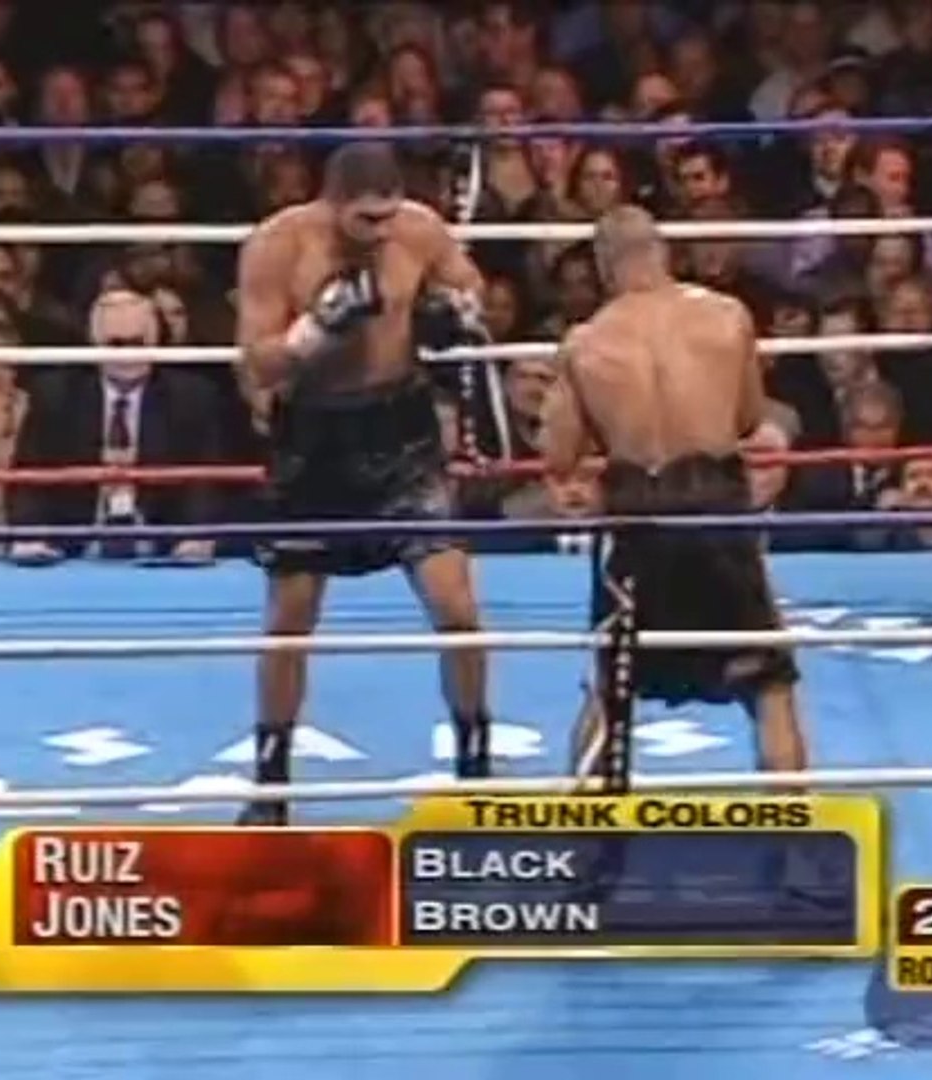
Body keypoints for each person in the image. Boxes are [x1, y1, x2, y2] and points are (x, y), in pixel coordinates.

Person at [235, 142, 495, 825]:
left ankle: (476, 768)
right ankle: (270, 785)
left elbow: (473, 293)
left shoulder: (421, 231)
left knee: (457, 609)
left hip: (401, 433)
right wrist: (311, 334)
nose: (380, 232)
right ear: (333, 204)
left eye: (388, 216)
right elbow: (257, 364)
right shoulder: (278, 245)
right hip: (312, 438)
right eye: (365, 221)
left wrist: (456, 310)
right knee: (290, 617)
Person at [539, 205, 809, 788]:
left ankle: (585, 828)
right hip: (715, 504)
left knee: (609, 687)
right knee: (768, 684)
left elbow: (559, 456)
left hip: (636, 512)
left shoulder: (585, 343)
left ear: (603, 268)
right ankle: (793, 826)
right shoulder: (727, 317)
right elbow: (747, 417)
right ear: (662, 252)